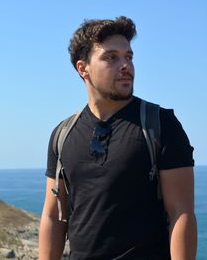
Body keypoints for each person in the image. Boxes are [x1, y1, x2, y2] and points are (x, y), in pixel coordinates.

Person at [39, 16, 197, 260]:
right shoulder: (62, 134)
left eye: (129, 57)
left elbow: (181, 212)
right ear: (83, 69)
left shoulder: (161, 125)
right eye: (111, 57)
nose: (126, 65)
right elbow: (53, 217)